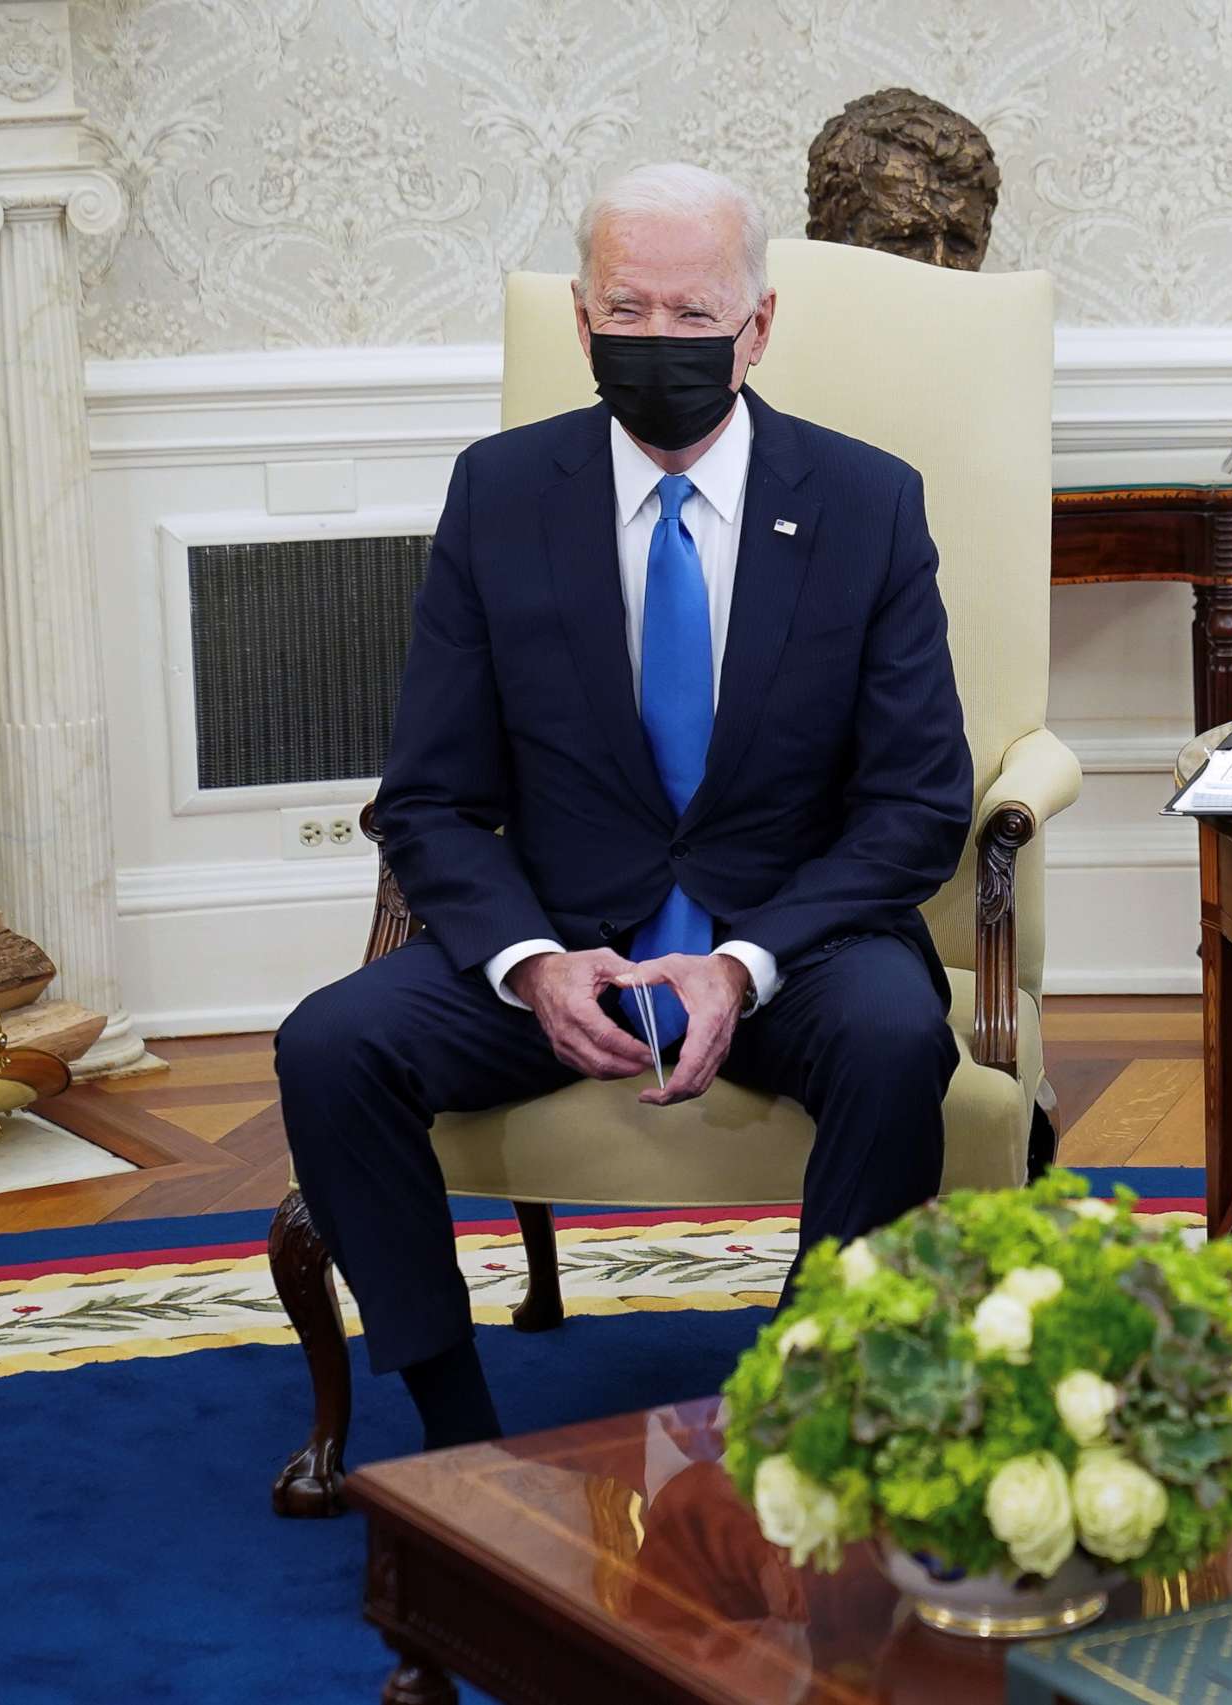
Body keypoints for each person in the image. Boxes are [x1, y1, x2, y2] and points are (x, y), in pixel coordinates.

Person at [275, 163, 973, 1449]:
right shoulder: (498, 496)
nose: (660, 341)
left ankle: (809, 1412)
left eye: (694, 313)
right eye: (628, 311)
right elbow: (425, 799)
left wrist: (744, 963)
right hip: (570, 943)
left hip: (790, 944)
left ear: (758, 327)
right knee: (330, 1044)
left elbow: (919, 805)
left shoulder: (867, 505)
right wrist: (532, 962)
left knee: (894, 1038)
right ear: (582, 323)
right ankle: (460, 1436)